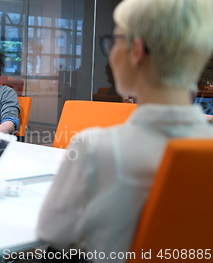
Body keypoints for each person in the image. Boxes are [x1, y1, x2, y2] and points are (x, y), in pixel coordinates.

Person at [36, 0, 213, 261]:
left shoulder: (95, 147)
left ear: (137, 51)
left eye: (114, 40)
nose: (110, 53)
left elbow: (52, 232)